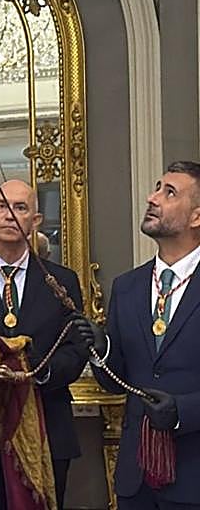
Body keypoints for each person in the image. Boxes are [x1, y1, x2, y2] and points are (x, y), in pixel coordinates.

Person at [0, 179, 88, 510]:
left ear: (35, 220)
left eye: (21, 207)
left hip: (48, 427)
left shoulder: (62, 280)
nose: (10, 215)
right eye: (2, 206)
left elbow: (76, 350)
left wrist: (36, 370)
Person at [71, 161, 200, 510]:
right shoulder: (127, 287)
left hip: (193, 478)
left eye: (168, 192)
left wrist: (181, 412)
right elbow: (117, 382)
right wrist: (102, 351)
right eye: (157, 187)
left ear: (196, 217)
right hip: (136, 480)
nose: (152, 197)